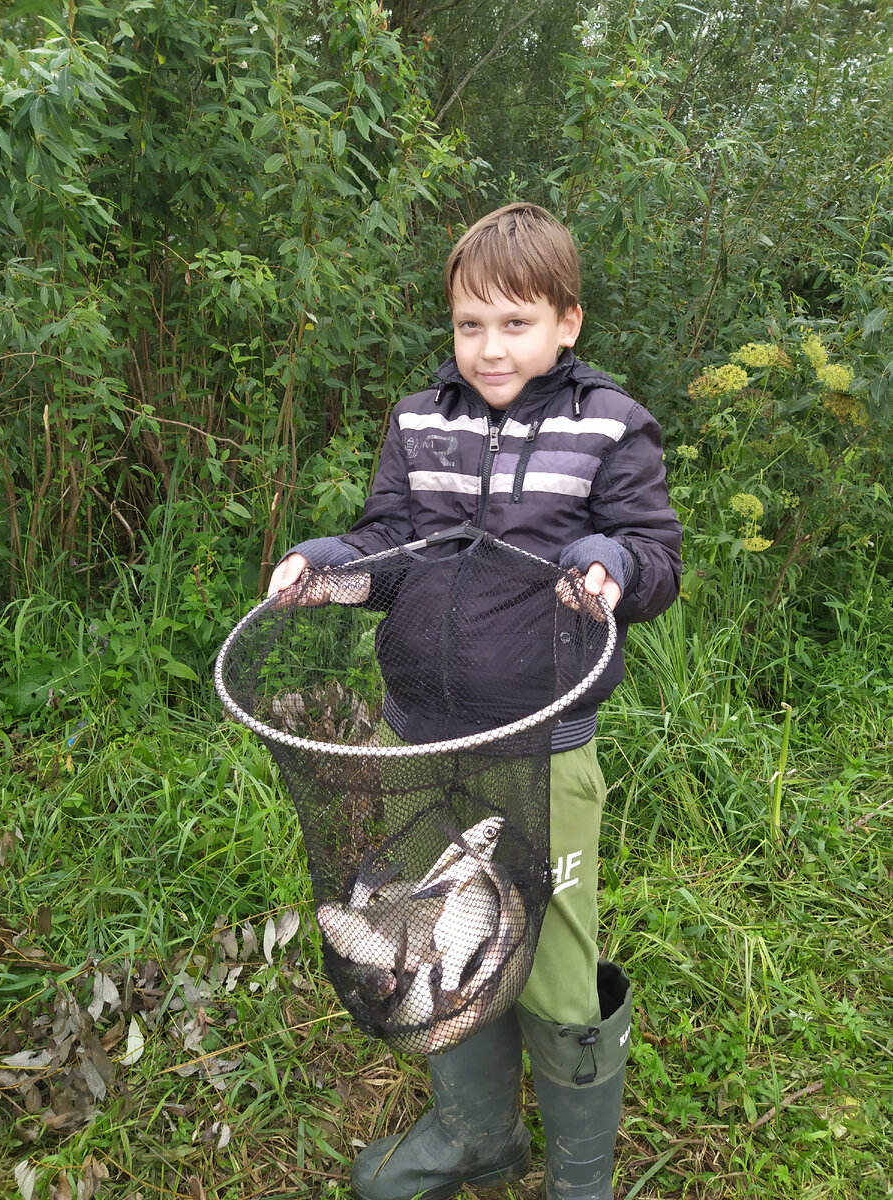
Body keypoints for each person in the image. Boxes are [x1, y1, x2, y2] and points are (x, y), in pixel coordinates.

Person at [268, 203, 682, 1200]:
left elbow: (656, 559)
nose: (490, 348)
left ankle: (580, 1179)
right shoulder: (419, 422)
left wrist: (611, 566)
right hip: (416, 741)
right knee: (439, 939)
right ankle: (476, 1135)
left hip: (543, 745)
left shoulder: (610, 425)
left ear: (567, 322)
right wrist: (325, 568)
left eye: (516, 323)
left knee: (549, 956)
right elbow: (386, 550)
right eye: (470, 324)